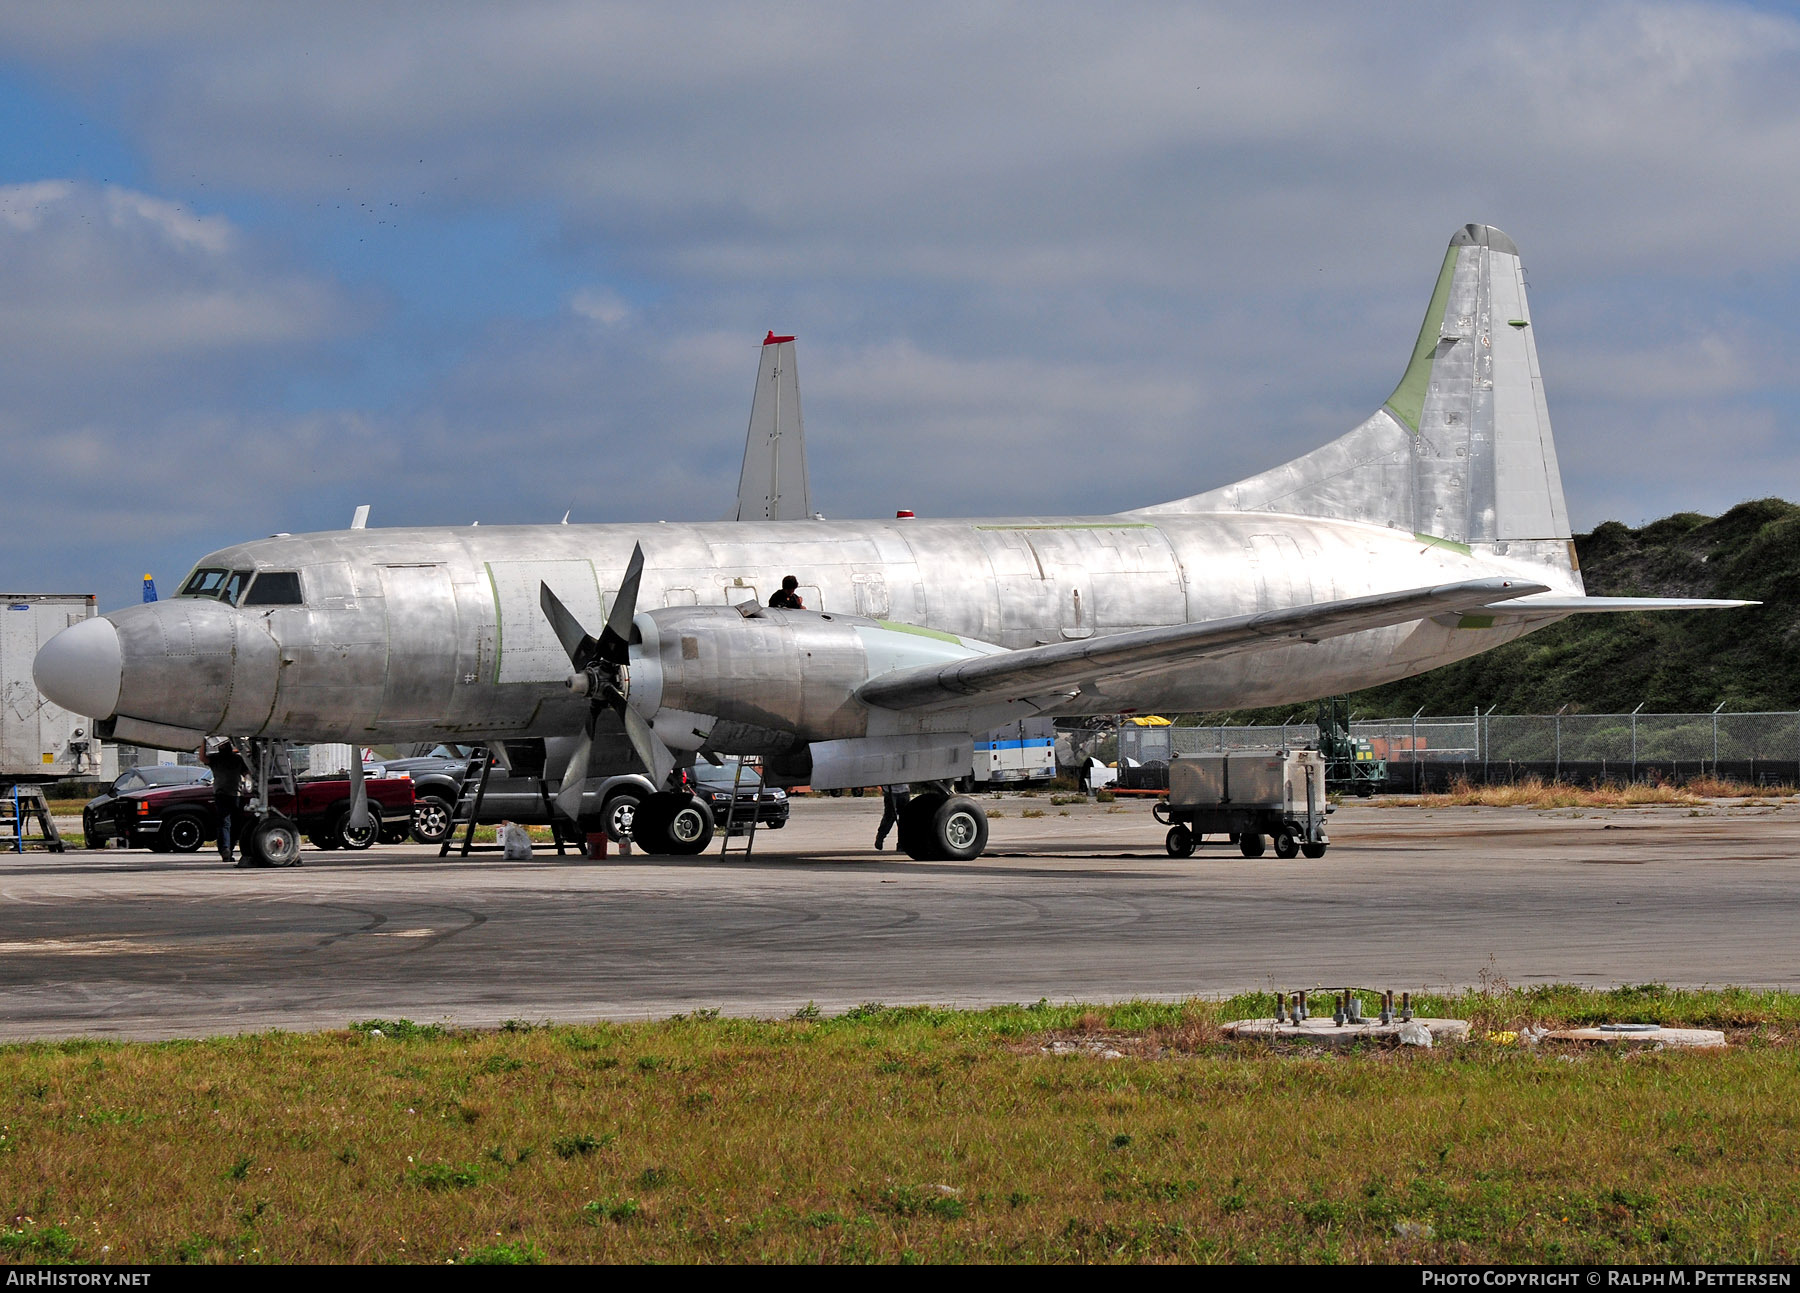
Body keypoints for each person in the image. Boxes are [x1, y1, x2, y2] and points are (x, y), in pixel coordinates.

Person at [202, 738, 250, 863]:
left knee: (225, 823)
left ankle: (226, 849)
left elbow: (203, 758)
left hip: (223, 794)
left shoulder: (217, 758)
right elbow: (246, 773)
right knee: (233, 824)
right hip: (234, 794)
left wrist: (202, 742)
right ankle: (228, 849)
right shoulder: (236, 759)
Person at [875, 782, 910, 850]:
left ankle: (902, 843)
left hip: (904, 791)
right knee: (890, 817)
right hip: (890, 791)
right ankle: (881, 837)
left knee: (905, 818)